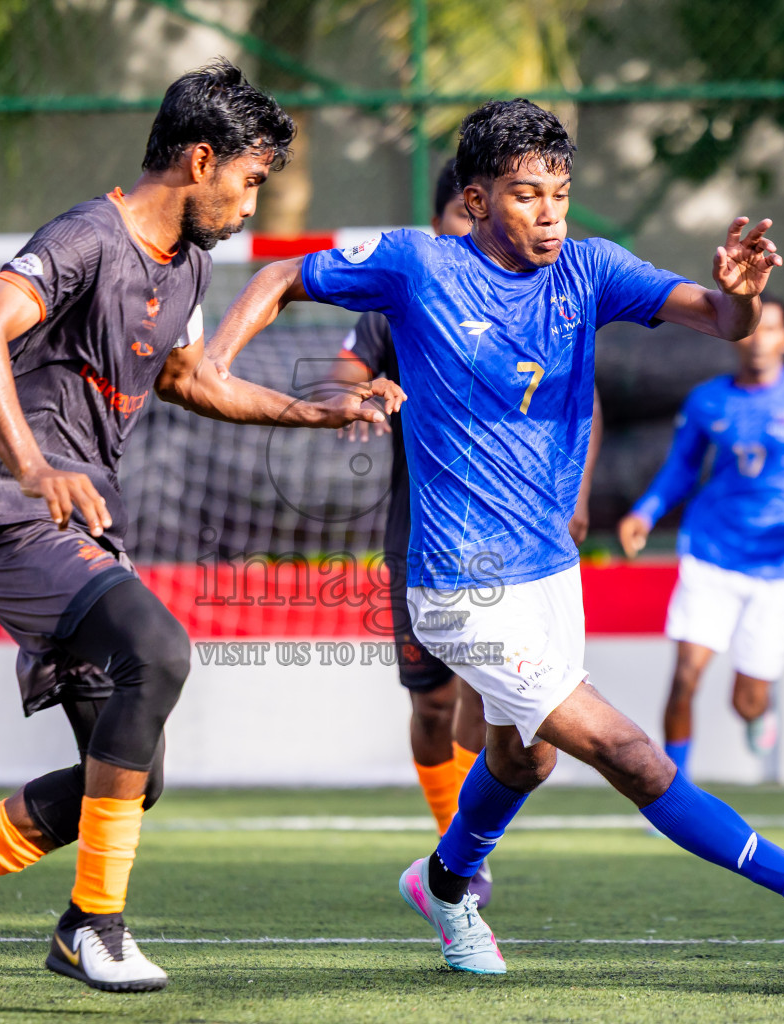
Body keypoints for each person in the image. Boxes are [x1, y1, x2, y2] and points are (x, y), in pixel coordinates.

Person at [206, 98, 784, 977]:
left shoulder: (590, 270)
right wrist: (212, 365)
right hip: (460, 585)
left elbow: (717, 317)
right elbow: (281, 277)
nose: (549, 211)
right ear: (476, 201)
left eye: (559, 191)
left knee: (523, 760)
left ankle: (443, 884)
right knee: (629, 753)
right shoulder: (418, 265)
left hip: (551, 574)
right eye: (525, 194)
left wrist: (742, 301)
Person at [0, 60, 400, 998]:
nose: (250, 202)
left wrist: (317, 413)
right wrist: (32, 463)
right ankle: (90, 927)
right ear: (199, 158)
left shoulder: (186, 264)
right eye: (248, 179)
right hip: (4, 509)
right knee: (161, 649)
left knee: (130, 774)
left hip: (72, 525)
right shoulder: (85, 239)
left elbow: (196, 382)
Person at [331, 158, 602, 907]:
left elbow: (583, 395)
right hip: (422, 531)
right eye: (453, 215)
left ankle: (461, 859)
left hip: (519, 538)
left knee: (496, 708)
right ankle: (454, 843)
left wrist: (573, 493)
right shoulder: (407, 290)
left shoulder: (543, 290)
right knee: (429, 700)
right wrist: (358, 397)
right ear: (455, 212)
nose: (463, 229)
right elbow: (344, 369)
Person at [619, 298, 784, 774]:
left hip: (783, 563)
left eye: (771, 329)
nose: (759, 339)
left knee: (747, 701)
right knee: (685, 678)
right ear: (737, 336)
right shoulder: (707, 400)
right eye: (753, 329)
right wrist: (646, 511)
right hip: (711, 552)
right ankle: (672, 794)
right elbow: (683, 467)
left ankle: (760, 710)